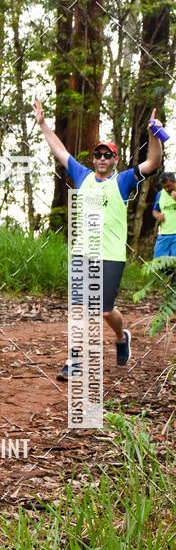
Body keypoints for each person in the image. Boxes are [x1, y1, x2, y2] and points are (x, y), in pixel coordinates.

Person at [33, 99, 163, 380]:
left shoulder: (124, 180)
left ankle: (121, 335)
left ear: (115, 160)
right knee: (80, 310)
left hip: (112, 256)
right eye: (98, 155)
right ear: (93, 159)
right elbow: (60, 152)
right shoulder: (83, 176)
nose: (102, 158)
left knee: (104, 312)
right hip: (83, 254)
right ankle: (74, 360)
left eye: (108, 155)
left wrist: (154, 134)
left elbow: (153, 162)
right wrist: (43, 123)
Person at [152, 172, 176, 258]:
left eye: (168, 186)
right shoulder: (160, 194)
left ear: (174, 182)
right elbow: (155, 211)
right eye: (164, 187)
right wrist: (158, 216)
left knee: (174, 265)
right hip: (163, 234)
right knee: (157, 263)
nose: (166, 189)